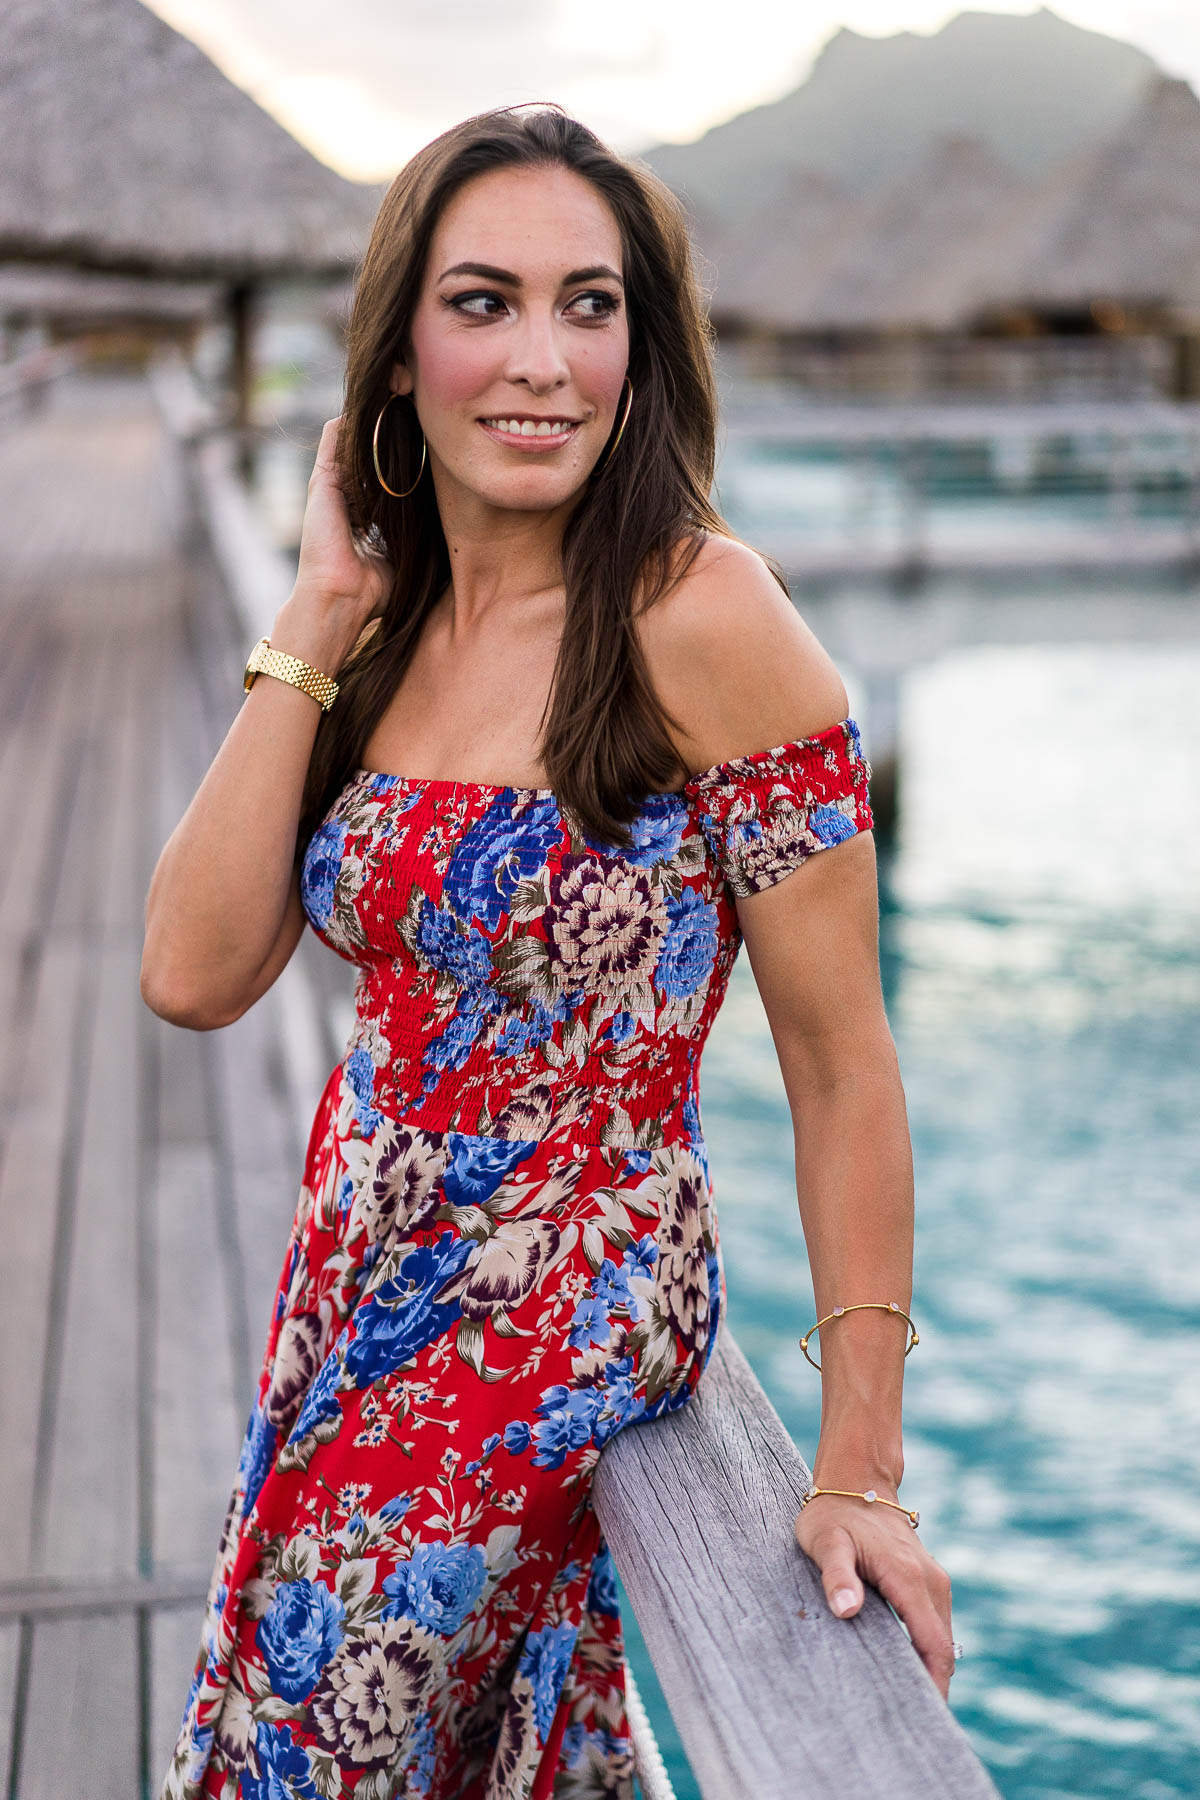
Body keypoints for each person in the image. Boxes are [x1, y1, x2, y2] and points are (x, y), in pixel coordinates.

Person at [142, 100, 954, 1800]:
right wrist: (312, 619)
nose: (543, 360)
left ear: (644, 352)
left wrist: (862, 1468)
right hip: (357, 1269)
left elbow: (840, 1059)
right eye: (484, 301)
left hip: (562, 1296)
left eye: (593, 305)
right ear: (401, 350)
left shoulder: (703, 615)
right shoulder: (394, 612)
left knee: (306, 1761)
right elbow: (194, 972)